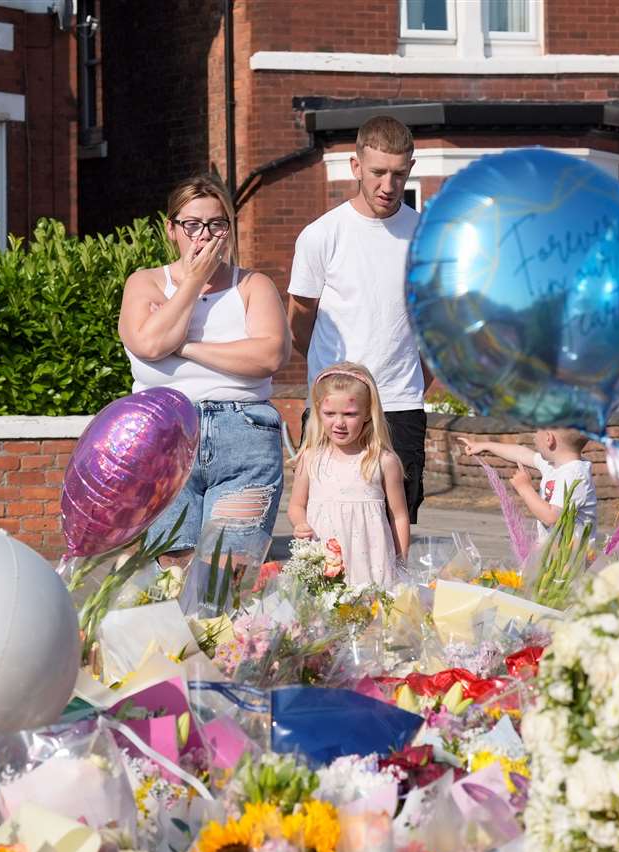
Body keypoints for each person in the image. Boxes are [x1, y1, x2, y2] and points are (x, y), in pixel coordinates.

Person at [118, 175, 290, 565]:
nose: (205, 237)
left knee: (229, 572)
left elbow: (269, 356)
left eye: (216, 225)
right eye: (192, 225)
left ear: (228, 230)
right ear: (172, 229)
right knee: (172, 567)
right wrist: (193, 282)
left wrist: (185, 347)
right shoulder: (145, 283)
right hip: (166, 435)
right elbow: (147, 344)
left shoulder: (252, 285)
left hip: (243, 433)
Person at [288, 115, 430, 521]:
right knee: (323, 523)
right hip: (333, 405)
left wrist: (414, 380)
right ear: (356, 167)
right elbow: (301, 319)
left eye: (399, 174)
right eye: (378, 173)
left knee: (394, 523)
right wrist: (330, 377)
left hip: (399, 405)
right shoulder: (322, 234)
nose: (388, 186)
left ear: (411, 169)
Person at [287, 363, 410, 587]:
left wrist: (400, 563)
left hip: (372, 564)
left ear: (367, 413)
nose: (339, 423)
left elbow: (399, 516)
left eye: (350, 414)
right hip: (323, 559)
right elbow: (296, 505)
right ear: (318, 411)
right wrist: (300, 523)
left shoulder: (382, 461)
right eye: (330, 413)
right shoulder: (310, 459)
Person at [456, 429, 596, 542]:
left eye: (536, 430)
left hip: (572, 562)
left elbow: (551, 517)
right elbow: (520, 453)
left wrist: (525, 488)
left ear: (549, 438)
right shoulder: (555, 464)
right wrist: (486, 446)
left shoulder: (574, 474)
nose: (534, 436)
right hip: (556, 556)